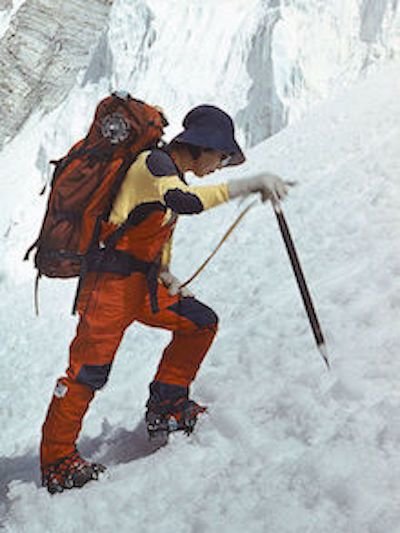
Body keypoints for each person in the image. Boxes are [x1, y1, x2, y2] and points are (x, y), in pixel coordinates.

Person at [40, 104, 290, 494]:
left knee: (199, 323)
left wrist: (166, 275)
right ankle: (56, 462)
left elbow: (153, 226)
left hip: (142, 284)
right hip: (109, 288)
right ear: (202, 146)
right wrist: (248, 184)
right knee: (86, 374)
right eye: (222, 156)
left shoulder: (168, 170)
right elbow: (182, 203)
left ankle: (167, 405)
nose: (221, 165)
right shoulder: (154, 164)